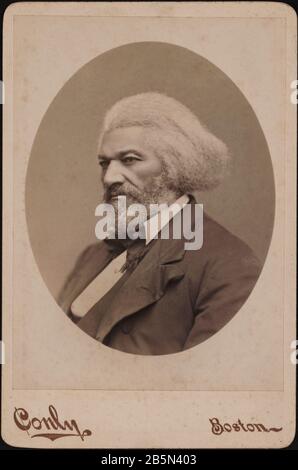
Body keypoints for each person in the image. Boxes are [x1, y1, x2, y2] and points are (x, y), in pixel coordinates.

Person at [58, 92, 261, 355]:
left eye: (129, 159)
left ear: (174, 165)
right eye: (104, 163)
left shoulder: (229, 265)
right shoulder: (92, 256)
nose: (109, 178)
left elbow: (206, 381)